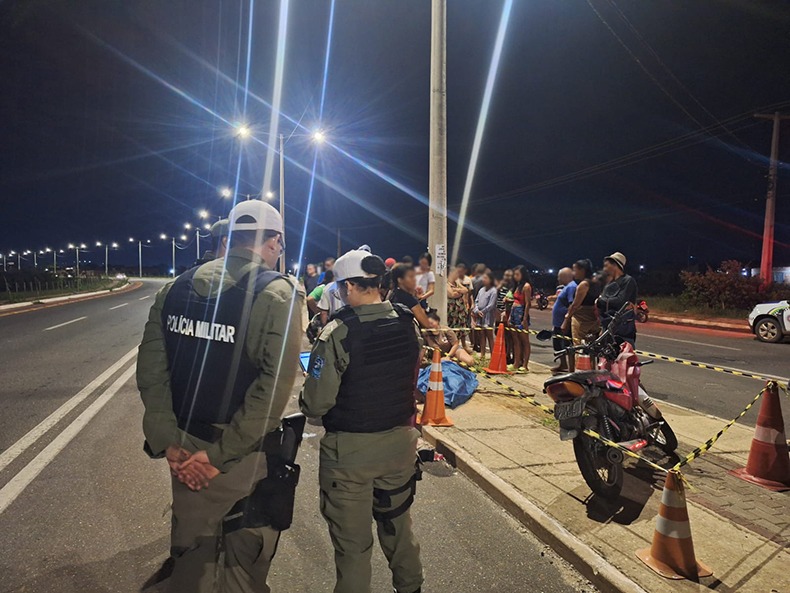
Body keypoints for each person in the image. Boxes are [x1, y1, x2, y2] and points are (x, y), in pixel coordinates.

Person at [137, 200, 304, 593]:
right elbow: (273, 389)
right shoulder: (276, 294)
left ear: (228, 238)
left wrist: (169, 443)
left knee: (191, 561)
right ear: (275, 242)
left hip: (184, 447)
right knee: (242, 566)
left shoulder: (175, 288)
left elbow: (151, 374)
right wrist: (216, 458)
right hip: (242, 457)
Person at [300, 247, 423, 593]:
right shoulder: (405, 320)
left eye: (340, 288)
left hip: (350, 454)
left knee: (353, 548)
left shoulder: (339, 332)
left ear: (350, 288)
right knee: (400, 532)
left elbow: (315, 404)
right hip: (400, 446)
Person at [597, 251, 638, 345]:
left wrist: (600, 300)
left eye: (606, 266)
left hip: (623, 330)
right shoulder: (609, 284)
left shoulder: (628, 281)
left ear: (615, 265)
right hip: (607, 327)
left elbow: (620, 302)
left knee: (622, 358)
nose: (604, 269)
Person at [562, 258, 600, 345]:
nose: (573, 273)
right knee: (591, 347)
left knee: (578, 345)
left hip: (581, 319)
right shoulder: (596, 282)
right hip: (594, 319)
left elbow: (575, 305)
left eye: (575, 270)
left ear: (582, 270)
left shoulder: (584, 284)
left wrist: (566, 320)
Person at [389, 263, 431, 328]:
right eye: (411, 277)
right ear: (400, 280)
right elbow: (426, 324)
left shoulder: (392, 293)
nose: (414, 280)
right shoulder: (409, 299)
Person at [551, 267, 577, 374]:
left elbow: (572, 304)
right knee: (557, 344)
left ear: (565, 276)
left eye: (559, 276)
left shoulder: (571, 287)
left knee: (567, 344)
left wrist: (566, 320)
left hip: (563, 323)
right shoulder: (566, 287)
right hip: (558, 322)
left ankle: (570, 368)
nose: (558, 278)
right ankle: (563, 364)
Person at [508, 265, 532, 372]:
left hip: (521, 313)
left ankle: (525, 365)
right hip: (513, 313)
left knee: (524, 340)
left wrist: (524, 318)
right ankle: (516, 362)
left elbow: (528, 304)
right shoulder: (517, 286)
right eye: (515, 274)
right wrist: (509, 317)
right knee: (515, 340)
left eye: (517, 274)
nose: (515, 276)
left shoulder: (526, 286)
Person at [473, 271, 498, 358]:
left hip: (488, 316)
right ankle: (482, 355)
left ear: (490, 280)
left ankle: (493, 356)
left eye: (485, 278)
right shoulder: (481, 290)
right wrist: (476, 310)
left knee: (489, 335)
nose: (483, 280)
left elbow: (491, 305)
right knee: (481, 335)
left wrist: (482, 311)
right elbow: (476, 301)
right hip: (479, 316)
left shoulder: (493, 291)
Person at [446, 267, 470, 348]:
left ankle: (462, 345)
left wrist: (456, 289)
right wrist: (460, 291)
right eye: (456, 273)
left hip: (460, 310)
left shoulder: (457, 282)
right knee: (452, 328)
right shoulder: (446, 283)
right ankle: (453, 347)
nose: (457, 275)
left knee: (461, 328)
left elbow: (466, 290)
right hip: (452, 310)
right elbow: (451, 294)